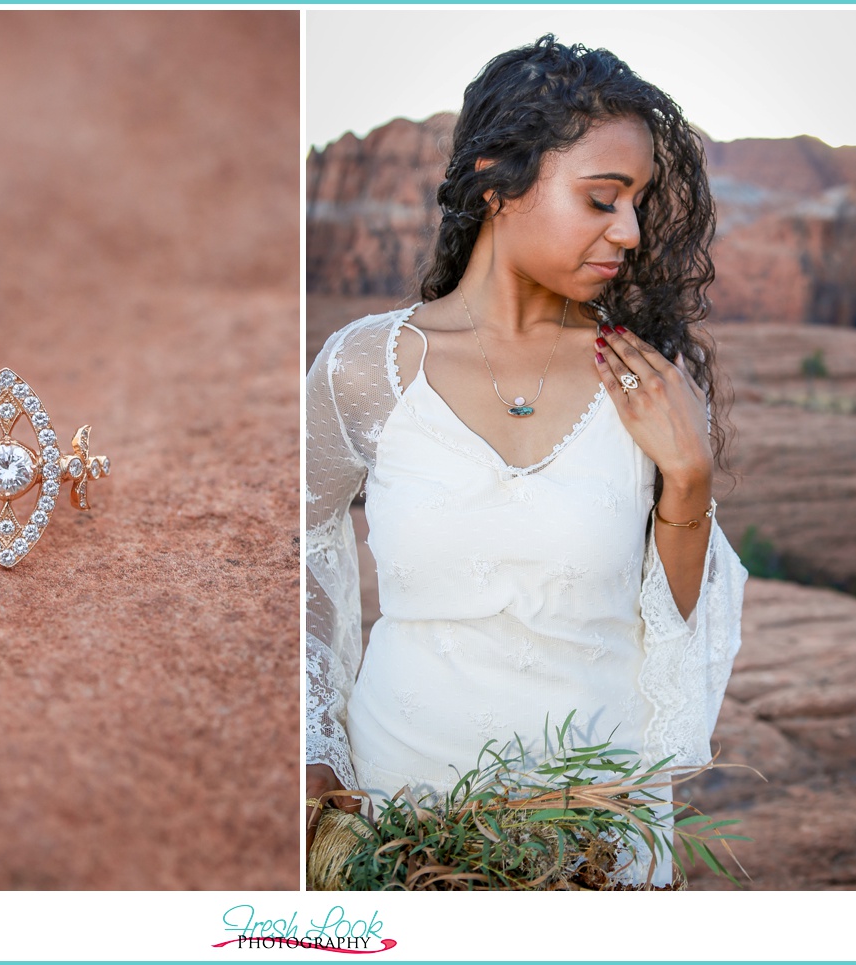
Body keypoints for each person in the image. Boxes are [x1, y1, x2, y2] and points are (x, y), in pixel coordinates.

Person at [304, 35, 748, 888]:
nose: (630, 229)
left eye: (641, 203)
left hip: (591, 831)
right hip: (399, 822)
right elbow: (288, 546)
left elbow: (672, 628)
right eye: (602, 199)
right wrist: (311, 744)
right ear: (498, 183)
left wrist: (688, 478)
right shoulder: (366, 366)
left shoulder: (642, 379)